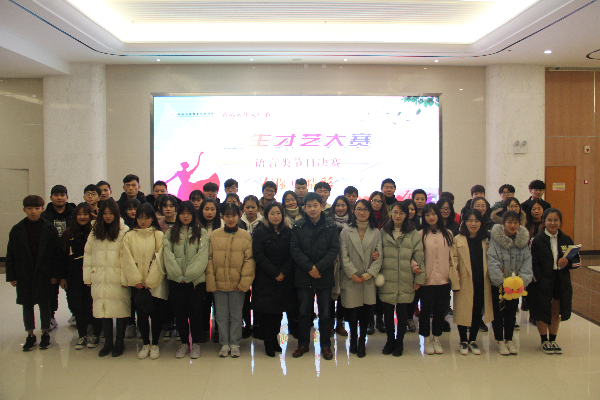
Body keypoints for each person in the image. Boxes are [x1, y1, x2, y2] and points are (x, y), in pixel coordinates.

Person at [6, 195, 60, 351]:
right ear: (24, 210)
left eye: (37, 208)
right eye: (30, 208)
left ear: (42, 209)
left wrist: (55, 273)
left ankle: (45, 333)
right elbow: (11, 254)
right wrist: (12, 275)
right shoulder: (17, 230)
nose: (33, 212)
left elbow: (56, 254)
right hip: (24, 273)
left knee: (45, 303)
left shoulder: (50, 229)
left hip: (44, 273)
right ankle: (30, 334)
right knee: (27, 304)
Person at [290, 192, 340, 360]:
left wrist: (318, 268)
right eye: (309, 206)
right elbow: (295, 250)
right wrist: (310, 268)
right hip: (304, 275)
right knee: (304, 312)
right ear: (304, 207)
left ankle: (325, 345)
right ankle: (303, 344)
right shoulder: (298, 226)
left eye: (315, 205)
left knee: (325, 313)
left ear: (322, 206)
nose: (312, 209)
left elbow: (334, 250)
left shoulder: (331, 225)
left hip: (324, 275)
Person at [206, 203, 255, 358]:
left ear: (239, 215)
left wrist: (244, 283)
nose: (230, 219)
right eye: (227, 216)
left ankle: (234, 343)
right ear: (222, 217)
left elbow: (249, 261)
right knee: (220, 316)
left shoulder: (245, 236)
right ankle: (224, 343)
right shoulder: (214, 235)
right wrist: (211, 282)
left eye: (233, 215)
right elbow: (209, 259)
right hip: (218, 283)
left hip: (237, 285)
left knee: (236, 315)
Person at [529, 208, 581, 354]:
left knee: (556, 309)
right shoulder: (536, 240)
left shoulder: (566, 239)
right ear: (544, 221)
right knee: (542, 309)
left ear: (560, 222)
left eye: (556, 220)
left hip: (560, 279)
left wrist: (567, 263)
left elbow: (577, 261)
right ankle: (544, 340)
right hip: (541, 280)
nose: (553, 223)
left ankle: (552, 339)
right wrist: (539, 279)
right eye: (549, 220)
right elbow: (532, 263)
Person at [83, 199, 130, 357]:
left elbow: (127, 256)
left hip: (118, 277)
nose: (108, 216)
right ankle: (108, 342)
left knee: (120, 309)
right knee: (103, 309)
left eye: (111, 213)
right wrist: (88, 277)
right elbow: (88, 253)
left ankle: (119, 342)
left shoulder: (124, 230)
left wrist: (125, 278)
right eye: (105, 213)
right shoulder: (95, 230)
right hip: (100, 276)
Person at [164, 201, 209, 359]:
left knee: (195, 313)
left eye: (188, 213)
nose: (185, 216)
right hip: (176, 281)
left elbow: (202, 257)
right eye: (182, 213)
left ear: (193, 214)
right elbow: (167, 255)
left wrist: (188, 276)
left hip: (195, 282)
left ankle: (195, 343)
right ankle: (184, 343)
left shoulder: (201, 232)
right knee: (180, 313)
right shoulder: (171, 233)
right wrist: (178, 276)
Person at [121, 204, 167, 360]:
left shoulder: (159, 235)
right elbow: (127, 259)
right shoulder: (129, 236)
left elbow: (160, 258)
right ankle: (145, 344)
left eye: (146, 218)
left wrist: (150, 280)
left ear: (152, 218)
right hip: (138, 284)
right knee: (141, 315)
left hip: (155, 283)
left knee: (156, 315)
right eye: (140, 217)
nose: (143, 221)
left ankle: (155, 344)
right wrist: (136, 280)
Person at [378, 201, 424, 356]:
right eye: (395, 212)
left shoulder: (413, 233)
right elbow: (377, 252)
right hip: (388, 278)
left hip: (406, 278)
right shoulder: (383, 231)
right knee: (388, 313)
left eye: (401, 213)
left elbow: (419, 256)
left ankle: (400, 342)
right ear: (391, 213)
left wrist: (419, 278)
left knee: (403, 313)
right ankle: (390, 340)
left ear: (407, 215)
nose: (398, 216)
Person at [339, 199, 383, 357]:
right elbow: (343, 255)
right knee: (352, 313)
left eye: (365, 209)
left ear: (370, 212)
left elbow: (379, 256)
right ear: (354, 211)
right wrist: (352, 273)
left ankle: (362, 340)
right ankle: (353, 338)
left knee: (365, 312)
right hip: (350, 278)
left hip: (367, 279)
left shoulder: (376, 232)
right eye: (358, 209)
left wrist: (368, 274)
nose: (362, 212)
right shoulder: (346, 231)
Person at [252, 202, 295, 357]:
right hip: (265, 277)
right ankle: (267, 341)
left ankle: (275, 338)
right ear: (266, 215)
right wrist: (274, 272)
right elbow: (258, 255)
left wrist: (283, 272)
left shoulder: (288, 231)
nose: (275, 216)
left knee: (278, 312)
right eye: (272, 213)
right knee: (266, 312)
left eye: (278, 213)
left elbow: (293, 253)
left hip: (284, 278)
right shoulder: (260, 231)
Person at [487, 211, 533, 355]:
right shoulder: (495, 240)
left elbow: (527, 262)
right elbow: (492, 261)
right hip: (499, 285)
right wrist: (501, 282)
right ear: (503, 223)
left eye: (515, 222)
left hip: (515, 286)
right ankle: (499, 340)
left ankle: (509, 339)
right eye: (509, 222)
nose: (512, 225)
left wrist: (521, 281)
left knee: (512, 312)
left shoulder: (523, 241)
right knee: (498, 312)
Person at [59, 202, 102, 350]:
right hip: (74, 275)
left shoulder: (96, 232)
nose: (82, 217)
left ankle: (96, 334)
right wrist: (62, 277)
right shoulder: (68, 233)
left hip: (93, 274)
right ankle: (82, 335)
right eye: (79, 214)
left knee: (93, 304)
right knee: (78, 306)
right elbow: (62, 257)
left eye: (85, 214)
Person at [451, 209, 493, 356]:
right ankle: (463, 340)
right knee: (463, 309)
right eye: (470, 220)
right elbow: (453, 260)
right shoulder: (458, 239)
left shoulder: (486, 240)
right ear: (465, 222)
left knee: (477, 309)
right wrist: (455, 277)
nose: (473, 224)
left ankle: (473, 340)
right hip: (464, 280)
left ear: (481, 223)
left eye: (476, 220)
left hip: (482, 280)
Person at [418, 204, 454, 355]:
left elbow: (453, 256)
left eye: (433, 214)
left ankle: (437, 338)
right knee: (425, 311)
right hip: (426, 280)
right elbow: (415, 256)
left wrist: (452, 273)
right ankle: (426, 339)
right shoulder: (420, 234)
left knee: (440, 311)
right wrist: (415, 268)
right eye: (427, 215)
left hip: (444, 279)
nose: (431, 217)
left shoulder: (448, 234)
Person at [41, 184, 76, 329]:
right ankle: (50, 316)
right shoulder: (44, 216)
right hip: (51, 258)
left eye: (62, 195)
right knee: (51, 289)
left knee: (72, 288)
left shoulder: (74, 213)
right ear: (51, 197)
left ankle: (75, 314)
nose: (59, 198)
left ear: (67, 197)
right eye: (56, 195)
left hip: (70, 257)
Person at [238, 195, 263, 338]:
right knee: (244, 296)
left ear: (258, 208)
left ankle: (258, 324)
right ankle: (246, 324)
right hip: (242, 265)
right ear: (243, 208)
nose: (250, 210)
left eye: (253, 207)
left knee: (258, 296)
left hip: (260, 265)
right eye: (247, 207)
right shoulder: (238, 223)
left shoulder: (263, 223)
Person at [198, 198, 222, 343]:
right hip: (201, 270)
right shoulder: (196, 227)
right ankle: (204, 329)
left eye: (212, 209)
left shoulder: (222, 225)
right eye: (206, 209)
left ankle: (218, 329)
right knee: (204, 302)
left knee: (218, 302)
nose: (209, 212)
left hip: (218, 269)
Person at [329, 195, 353, 337]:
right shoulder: (328, 222)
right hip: (332, 263)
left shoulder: (353, 223)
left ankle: (340, 323)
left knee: (343, 295)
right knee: (331, 295)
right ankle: (330, 323)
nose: (340, 208)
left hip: (347, 263)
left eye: (343, 205)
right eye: (337, 205)